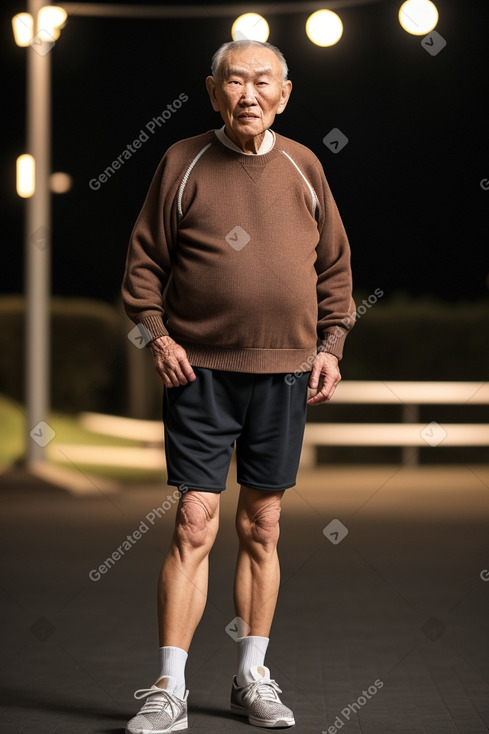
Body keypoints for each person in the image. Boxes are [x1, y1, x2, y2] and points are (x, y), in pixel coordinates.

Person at [122, 39, 355, 734]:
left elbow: (336, 271)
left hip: (283, 372)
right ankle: (168, 688)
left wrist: (332, 345)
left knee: (262, 524)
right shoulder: (181, 161)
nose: (248, 94)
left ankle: (251, 675)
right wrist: (159, 338)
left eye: (263, 82)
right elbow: (141, 271)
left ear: (284, 94)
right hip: (200, 374)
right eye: (235, 81)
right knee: (194, 521)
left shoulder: (303, 165)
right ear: (213, 90)